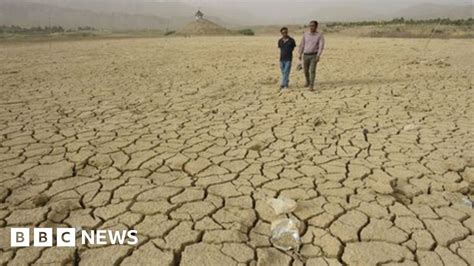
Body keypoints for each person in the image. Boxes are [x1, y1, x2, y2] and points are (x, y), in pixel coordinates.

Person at [299, 20, 325, 91]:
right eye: (310, 25)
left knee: (312, 71)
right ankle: (307, 81)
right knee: (305, 70)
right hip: (305, 55)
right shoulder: (306, 34)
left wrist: (318, 55)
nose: (311, 27)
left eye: (313, 26)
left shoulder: (319, 35)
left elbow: (321, 46)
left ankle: (311, 85)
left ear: (316, 26)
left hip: (314, 55)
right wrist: (300, 53)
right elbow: (302, 44)